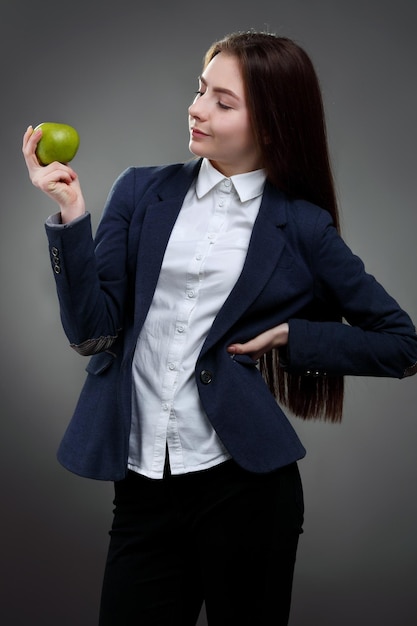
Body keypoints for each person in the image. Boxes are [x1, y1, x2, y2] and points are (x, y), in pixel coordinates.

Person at [22, 30, 417, 626]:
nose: (197, 107)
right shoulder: (140, 189)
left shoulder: (301, 227)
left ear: (272, 124)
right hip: (142, 483)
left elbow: (401, 343)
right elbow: (92, 334)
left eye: (222, 102)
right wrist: (73, 216)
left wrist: (292, 337)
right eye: (200, 89)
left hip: (246, 489)